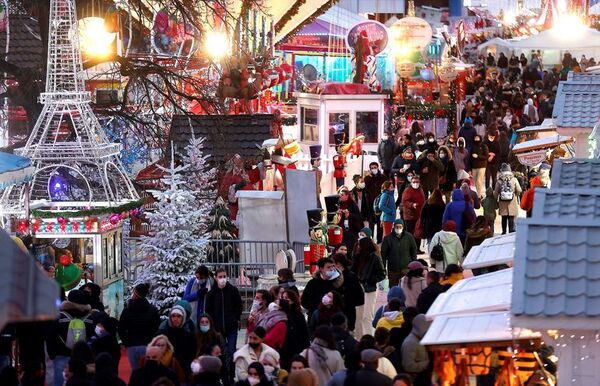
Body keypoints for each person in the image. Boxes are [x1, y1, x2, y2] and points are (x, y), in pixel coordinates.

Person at [46, 289, 95, 386]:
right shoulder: (89, 318)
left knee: (59, 381)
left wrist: (52, 354)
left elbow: (50, 335)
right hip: (83, 357)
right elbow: (92, 337)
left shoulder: (59, 316)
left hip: (61, 354)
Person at [118, 283, 160, 371]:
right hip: (148, 345)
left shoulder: (127, 311)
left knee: (136, 372)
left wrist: (126, 342)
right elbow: (156, 329)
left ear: (136, 294)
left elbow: (121, 328)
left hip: (132, 346)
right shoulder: (153, 310)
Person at [205, 267, 243, 359]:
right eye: (220, 276)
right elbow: (208, 310)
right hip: (217, 329)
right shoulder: (211, 293)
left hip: (231, 327)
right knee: (220, 352)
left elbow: (239, 306)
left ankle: (232, 372)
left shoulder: (233, 290)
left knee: (231, 351)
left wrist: (235, 318)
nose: (222, 279)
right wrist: (213, 323)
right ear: (216, 278)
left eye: (224, 276)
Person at [352, 237, 386, 338]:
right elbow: (352, 271)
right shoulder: (357, 257)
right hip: (358, 288)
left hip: (369, 289)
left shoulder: (374, 258)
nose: (358, 247)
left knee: (367, 316)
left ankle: (368, 337)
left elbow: (382, 274)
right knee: (358, 315)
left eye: (360, 245)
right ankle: (359, 338)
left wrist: (369, 280)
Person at [156, 302, 197, 379]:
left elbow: (191, 357)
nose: (175, 319)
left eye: (179, 316)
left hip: (183, 375)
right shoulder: (161, 335)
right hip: (164, 375)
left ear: (183, 318)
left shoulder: (189, 337)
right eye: (173, 316)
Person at [301, 258, 344, 324]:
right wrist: (318, 306)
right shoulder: (313, 283)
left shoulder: (336, 283)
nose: (331, 269)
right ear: (321, 269)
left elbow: (341, 302)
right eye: (328, 267)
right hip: (316, 318)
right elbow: (304, 301)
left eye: (333, 266)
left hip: (332, 319)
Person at [331, 253, 364, 333]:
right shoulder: (332, 277)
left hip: (348, 312)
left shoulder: (351, 276)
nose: (332, 267)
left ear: (339, 264)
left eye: (334, 265)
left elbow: (360, 297)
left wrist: (349, 301)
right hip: (337, 312)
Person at [381, 219, 417, 288]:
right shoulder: (387, 238)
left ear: (403, 227)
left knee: (406, 289)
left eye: (400, 227)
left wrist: (413, 264)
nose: (398, 228)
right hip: (393, 269)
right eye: (397, 227)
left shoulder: (409, 237)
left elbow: (413, 249)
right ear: (394, 227)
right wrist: (383, 268)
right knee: (393, 288)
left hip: (406, 268)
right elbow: (383, 254)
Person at [401, 315, 431, 386]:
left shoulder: (418, 339)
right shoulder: (410, 343)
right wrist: (427, 363)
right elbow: (408, 366)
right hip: (417, 381)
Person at [494, 163, 522, 234]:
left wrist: (496, 199)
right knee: (511, 218)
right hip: (512, 201)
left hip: (502, 202)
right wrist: (515, 195)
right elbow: (519, 190)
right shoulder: (514, 179)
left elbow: (496, 193)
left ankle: (504, 231)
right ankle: (511, 231)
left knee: (504, 218)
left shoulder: (499, 180)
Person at [364, 162, 389, 242]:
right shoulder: (367, 178)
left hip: (381, 202)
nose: (374, 169)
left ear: (378, 167)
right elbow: (365, 189)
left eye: (375, 167)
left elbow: (387, 188)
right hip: (370, 203)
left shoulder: (383, 177)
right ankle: (370, 239)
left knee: (379, 223)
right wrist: (369, 177)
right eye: (372, 168)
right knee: (371, 222)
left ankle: (379, 240)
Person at [401, 174, 425, 253]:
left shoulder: (420, 189)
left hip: (419, 215)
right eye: (414, 182)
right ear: (411, 182)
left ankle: (417, 249)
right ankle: (409, 249)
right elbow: (404, 202)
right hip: (410, 216)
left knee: (418, 233)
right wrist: (412, 205)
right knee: (410, 233)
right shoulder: (408, 190)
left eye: (417, 182)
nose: (416, 183)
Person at [470, 134, 489, 199]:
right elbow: (470, 158)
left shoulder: (483, 146)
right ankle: (479, 194)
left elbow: (486, 156)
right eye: (475, 138)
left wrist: (478, 156)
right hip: (474, 166)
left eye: (478, 138)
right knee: (475, 182)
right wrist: (470, 168)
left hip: (482, 166)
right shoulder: (472, 147)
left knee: (479, 181)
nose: (476, 139)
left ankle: (478, 196)